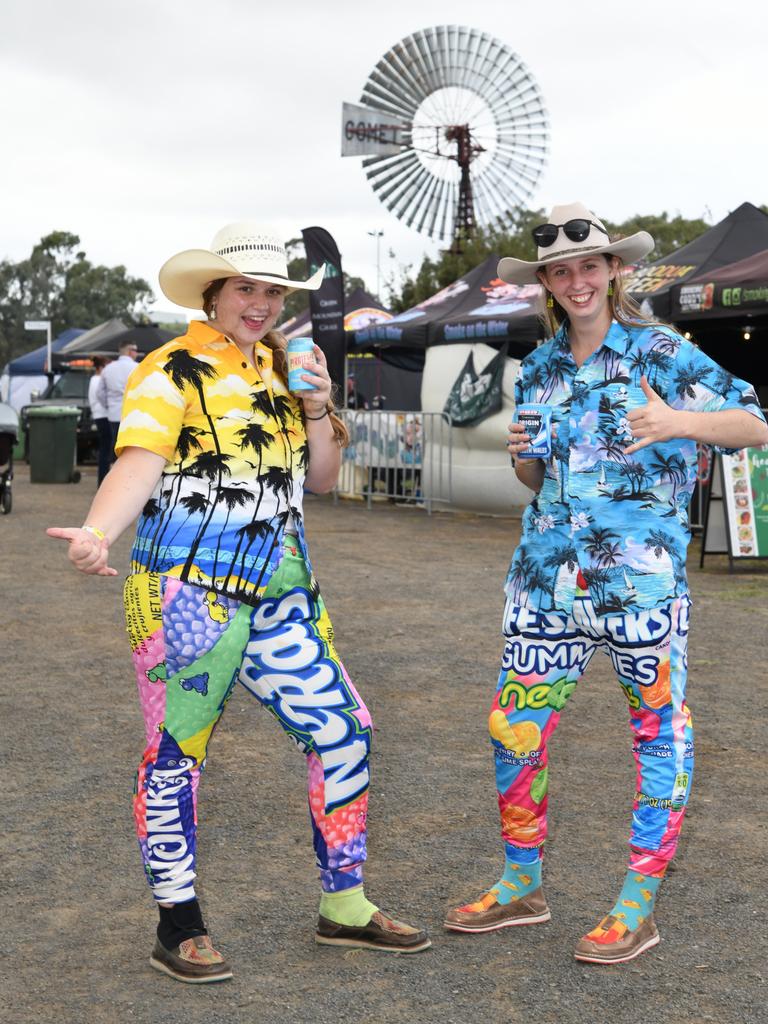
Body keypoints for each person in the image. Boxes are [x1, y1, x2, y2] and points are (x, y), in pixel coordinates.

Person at [47, 221, 430, 985]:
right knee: (175, 757)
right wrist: (97, 531)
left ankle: (344, 905)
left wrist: (319, 409)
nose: (259, 304)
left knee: (345, 730)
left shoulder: (286, 367)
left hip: (284, 592)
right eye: (245, 290)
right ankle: (177, 926)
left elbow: (320, 479)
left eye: (270, 292)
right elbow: (139, 463)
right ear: (215, 294)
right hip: (186, 596)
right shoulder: (171, 369)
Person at [444, 202, 768, 964]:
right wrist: (523, 453)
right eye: (562, 271)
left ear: (615, 269)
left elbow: (755, 420)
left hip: (640, 587)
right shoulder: (542, 366)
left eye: (591, 265)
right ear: (548, 284)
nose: (578, 280)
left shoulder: (662, 352)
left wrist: (679, 424)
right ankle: (521, 883)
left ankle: (637, 906)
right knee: (511, 728)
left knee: (658, 735)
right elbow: (534, 477)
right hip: (545, 583)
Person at [97, 339, 139, 459]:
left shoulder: (108, 368)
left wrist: (109, 405)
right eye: (135, 350)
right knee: (131, 448)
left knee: (115, 446)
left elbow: (100, 393)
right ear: (130, 351)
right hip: (132, 414)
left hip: (114, 414)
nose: (137, 353)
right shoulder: (137, 368)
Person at [88, 355, 112, 484]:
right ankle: (103, 479)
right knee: (106, 449)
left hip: (98, 415)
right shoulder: (99, 380)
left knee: (105, 448)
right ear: (101, 367)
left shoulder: (93, 379)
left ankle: (102, 479)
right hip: (104, 415)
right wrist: (110, 406)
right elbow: (100, 395)